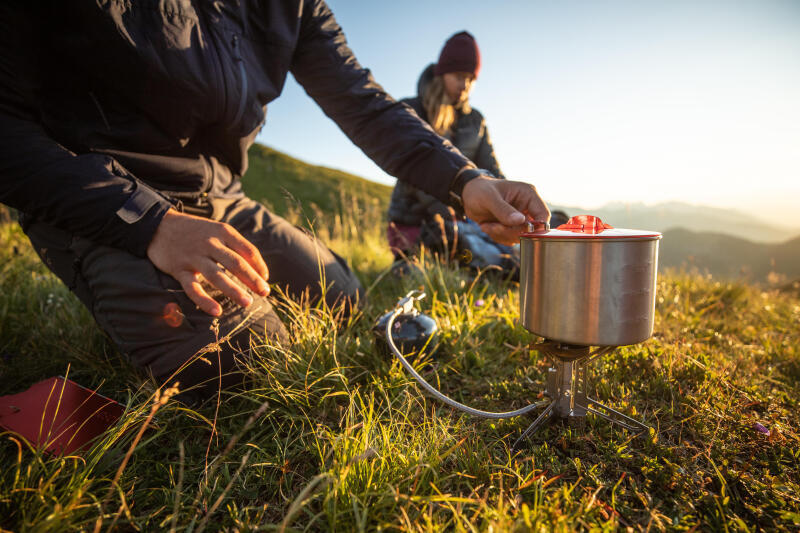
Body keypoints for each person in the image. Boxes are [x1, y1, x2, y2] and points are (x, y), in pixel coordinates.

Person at [0, 2, 550, 400]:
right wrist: (151, 224)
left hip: (220, 198)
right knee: (249, 359)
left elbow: (364, 103)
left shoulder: (296, 7)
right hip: (105, 199)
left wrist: (467, 181)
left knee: (342, 298)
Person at [388, 32, 568, 276]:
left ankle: (532, 248)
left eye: (471, 79)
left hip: (469, 218)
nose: (465, 85)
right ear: (443, 73)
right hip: (418, 224)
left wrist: (508, 207)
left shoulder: (475, 121)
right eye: (459, 76)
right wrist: (464, 210)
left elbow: (492, 172)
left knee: (515, 227)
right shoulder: (412, 111)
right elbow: (414, 176)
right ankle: (507, 264)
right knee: (460, 238)